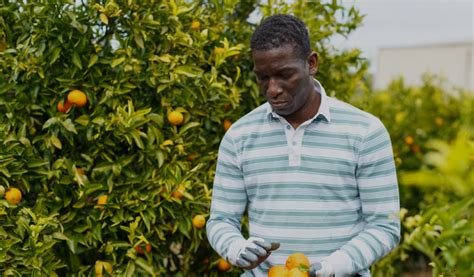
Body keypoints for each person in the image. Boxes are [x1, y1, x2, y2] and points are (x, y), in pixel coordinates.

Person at [206, 14, 400, 277]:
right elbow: (220, 221)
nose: (272, 89)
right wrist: (235, 246)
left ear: (311, 63)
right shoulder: (239, 136)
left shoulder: (365, 131)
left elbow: (385, 227)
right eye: (263, 77)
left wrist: (333, 267)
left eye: (284, 75)